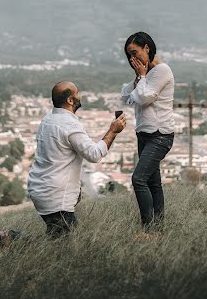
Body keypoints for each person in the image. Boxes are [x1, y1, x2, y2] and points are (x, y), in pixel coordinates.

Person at [28, 80, 126, 238]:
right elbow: (94, 154)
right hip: (56, 195)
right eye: (77, 94)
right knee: (65, 241)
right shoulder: (69, 125)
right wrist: (113, 131)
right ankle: (12, 238)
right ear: (70, 100)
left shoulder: (47, 120)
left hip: (40, 188)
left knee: (55, 235)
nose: (80, 97)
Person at [121, 32, 174, 231]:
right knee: (153, 183)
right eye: (129, 56)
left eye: (135, 53)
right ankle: (158, 229)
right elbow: (125, 95)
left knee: (139, 178)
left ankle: (148, 229)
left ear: (147, 48)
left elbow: (143, 99)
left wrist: (141, 79)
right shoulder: (145, 75)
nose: (133, 60)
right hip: (144, 134)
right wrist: (139, 79)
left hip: (160, 135)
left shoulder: (162, 71)